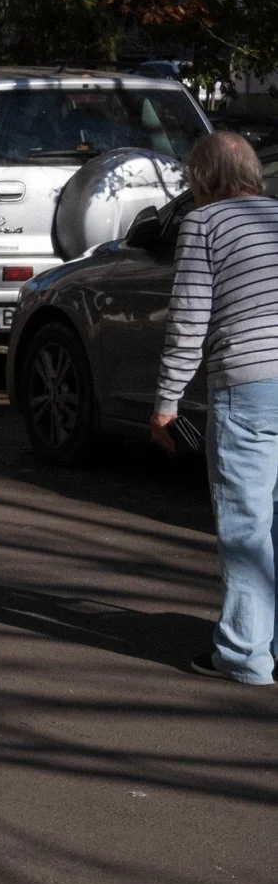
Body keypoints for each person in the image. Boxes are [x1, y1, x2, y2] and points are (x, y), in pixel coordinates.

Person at [153, 129, 278, 685]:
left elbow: (188, 322)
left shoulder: (203, 224)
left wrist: (166, 403)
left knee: (247, 526)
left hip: (248, 386)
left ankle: (245, 656)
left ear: (200, 179)